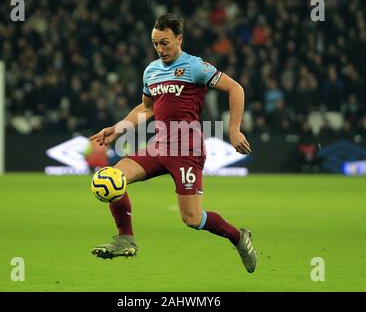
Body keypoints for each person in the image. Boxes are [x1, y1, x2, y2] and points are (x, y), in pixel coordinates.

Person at [89, 14, 257, 273]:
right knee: (112, 177)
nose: (160, 49)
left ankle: (238, 237)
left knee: (191, 218)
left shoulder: (195, 66)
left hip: (187, 151)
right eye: (156, 44)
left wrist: (233, 129)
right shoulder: (151, 70)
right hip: (159, 146)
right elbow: (146, 108)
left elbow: (236, 89)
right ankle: (125, 238)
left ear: (179, 39)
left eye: (165, 43)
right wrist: (117, 128)